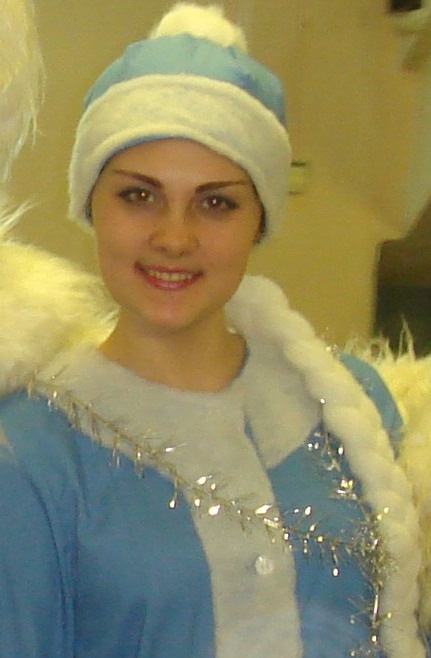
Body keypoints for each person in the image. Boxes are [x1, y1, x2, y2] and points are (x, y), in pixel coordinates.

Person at [0, 3, 429, 657]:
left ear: (259, 218)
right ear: (90, 204)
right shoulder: (32, 452)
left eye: (215, 202)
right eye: (139, 196)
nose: (174, 237)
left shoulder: (351, 403)